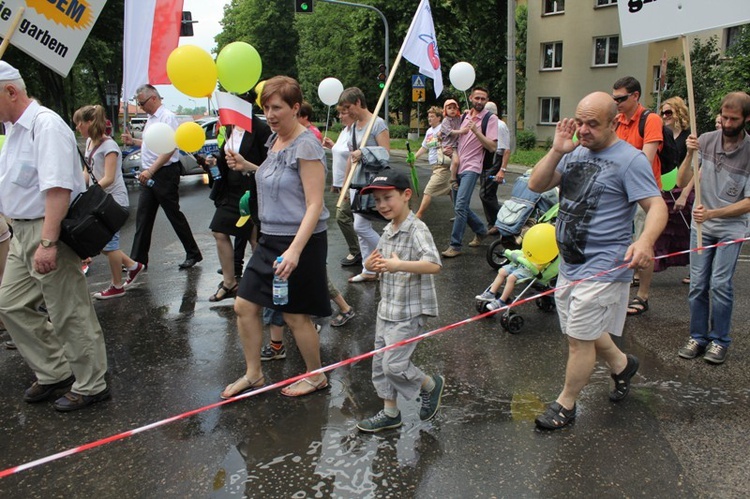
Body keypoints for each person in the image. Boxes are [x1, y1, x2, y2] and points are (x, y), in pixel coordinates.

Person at [528, 91, 667, 430]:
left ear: (614, 122)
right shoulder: (572, 151)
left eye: (593, 124)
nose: (584, 130)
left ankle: (566, 404)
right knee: (584, 331)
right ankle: (622, 365)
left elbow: (657, 206)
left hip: (605, 265)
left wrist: (645, 241)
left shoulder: (630, 160)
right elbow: (535, 184)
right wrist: (557, 150)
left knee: (578, 339)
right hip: (570, 262)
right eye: (580, 122)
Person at [0, 61, 110, 411]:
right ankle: (55, 371)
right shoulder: (14, 129)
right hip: (21, 228)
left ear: (11, 92)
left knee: (68, 310)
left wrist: (47, 243)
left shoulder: (44, 126)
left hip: (47, 228)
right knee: (11, 302)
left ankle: (92, 383)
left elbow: (59, 189)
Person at [221, 76, 331, 399]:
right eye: (266, 107)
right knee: (244, 305)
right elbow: (276, 176)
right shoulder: (274, 141)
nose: (269, 114)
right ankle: (254, 374)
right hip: (269, 238)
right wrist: (248, 165)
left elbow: (315, 204)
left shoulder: (306, 144)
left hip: (300, 242)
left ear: (296, 108)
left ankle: (316, 375)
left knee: (295, 314)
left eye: (277, 108)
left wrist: (295, 251)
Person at [354, 170, 444, 433]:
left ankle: (429, 384)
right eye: (377, 200)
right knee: (380, 364)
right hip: (388, 308)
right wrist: (372, 264)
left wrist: (398, 265)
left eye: (387, 198)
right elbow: (381, 260)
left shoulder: (417, 229)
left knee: (394, 365)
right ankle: (390, 412)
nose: (381, 205)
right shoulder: (389, 229)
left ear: (406, 195)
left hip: (410, 311)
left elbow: (434, 264)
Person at [675, 91, 750, 365]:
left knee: (719, 284)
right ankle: (698, 336)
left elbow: (748, 203)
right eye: (725, 117)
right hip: (703, 226)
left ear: (746, 119)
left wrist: (713, 213)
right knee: (697, 285)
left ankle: (719, 340)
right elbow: (682, 181)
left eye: (734, 119)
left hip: (731, 227)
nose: (728, 123)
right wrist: (689, 154)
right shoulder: (705, 140)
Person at [122, 84, 203, 270]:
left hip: (163, 173)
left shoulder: (167, 117)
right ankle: (138, 261)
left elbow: (169, 147)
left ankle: (193, 253)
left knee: (173, 215)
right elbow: (153, 143)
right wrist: (134, 142)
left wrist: (151, 171)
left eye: (142, 103)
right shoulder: (151, 119)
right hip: (150, 173)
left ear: (153, 98)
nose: (141, 107)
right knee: (143, 217)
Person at [73, 105, 144, 299]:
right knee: (103, 244)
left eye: (80, 122)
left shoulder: (110, 146)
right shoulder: (89, 142)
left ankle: (117, 285)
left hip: (113, 202)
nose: (77, 126)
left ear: (90, 122)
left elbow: (110, 178)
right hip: (100, 200)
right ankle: (132, 265)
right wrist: (79, 188)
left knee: (109, 245)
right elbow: (88, 171)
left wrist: (89, 196)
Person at [208, 104, 271, 302]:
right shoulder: (229, 127)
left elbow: (269, 164)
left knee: (254, 239)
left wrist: (248, 167)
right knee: (219, 230)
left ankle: (264, 286)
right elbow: (226, 152)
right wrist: (215, 159)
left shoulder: (260, 128)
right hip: (230, 190)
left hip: (251, 190)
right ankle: (229, 282)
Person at [612, 76, 664, 316]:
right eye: (614, 99)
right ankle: (622, 288)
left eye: (621, 99)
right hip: (620, 193)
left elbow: (646, 159)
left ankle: (642, 296)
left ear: (635, 96)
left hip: (644, 192)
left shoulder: (650, 120)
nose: (617, 103)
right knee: (623, 241)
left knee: (644, 244)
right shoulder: (617, 119)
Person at [338, 87, 391, 283]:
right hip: (358, 183)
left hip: (373, 182)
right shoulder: (353, 128)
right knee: (361, 226)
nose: (346, 112)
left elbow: (386, 153)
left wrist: (365, 152)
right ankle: (369, 270)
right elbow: (350, 160)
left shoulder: (377, 123)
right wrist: (345, 186)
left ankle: (388, 256)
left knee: (361, 226)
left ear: (358, 103)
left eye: (347, 107)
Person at [442, 86, 498, 258]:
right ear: (471, 98)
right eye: (477, 98)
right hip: (457, 164)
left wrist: (476, 131)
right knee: (459, 204)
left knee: (460, 206)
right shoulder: (464, 116)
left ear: (486, 101)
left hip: (472, 167)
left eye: (483, 99)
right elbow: (453, 134)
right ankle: (481, 230)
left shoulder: (490, 119)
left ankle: (455, 245)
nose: (480, 101)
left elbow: (492, 146)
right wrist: (448, 149)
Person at [655, 97, 694, 280]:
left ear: (679, 112)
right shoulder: (660, 134)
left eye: (668, 112)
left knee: (686, 233)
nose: (664, 116)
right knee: (659, 230)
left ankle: (695, 270)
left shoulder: (689, 136)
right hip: (665, 188)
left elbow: (696, 168)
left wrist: (685, 195)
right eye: (662, 112)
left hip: (684, 188)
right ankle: (650, 267)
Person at [322, 106, 361, 267]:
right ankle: (363, 251)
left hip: (352, 183)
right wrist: (332, 146)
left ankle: (357, 251)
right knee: (355, 219)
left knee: (342, 217)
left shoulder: (357, 133)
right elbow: (342, 153)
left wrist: (345, 185)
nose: (340, 116)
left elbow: (352, 158)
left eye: (343, 113)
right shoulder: (345, 131)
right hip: (342, 184)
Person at [475, 249, 548, 311]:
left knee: (511, 278)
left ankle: (502, 301)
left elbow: (538, 266)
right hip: (521, 265)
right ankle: (491, 293)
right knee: (502, 271)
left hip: (530, 270)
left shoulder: (546, 252)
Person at [415, 106, 452, 219]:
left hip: (442, 165)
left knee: (428, 190)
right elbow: (424, 147)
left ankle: (418, 215)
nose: (429, 119)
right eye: (428, 116)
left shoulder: (443, 128)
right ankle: (462, 213)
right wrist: (414, 158)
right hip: (435, 166)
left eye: (432, 116)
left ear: (439, 118)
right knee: (451, 190)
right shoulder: (429, 131)